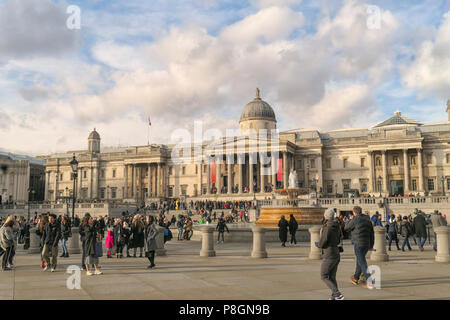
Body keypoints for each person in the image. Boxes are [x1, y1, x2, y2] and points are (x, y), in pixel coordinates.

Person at [344, 206, 374, 289]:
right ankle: (356, 277)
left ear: (354, 212)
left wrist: (350, 219)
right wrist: (371, 245)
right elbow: (372, 234)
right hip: (366, 243)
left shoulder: (355, 219)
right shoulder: (368, 219)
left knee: (362, 261)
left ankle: (369, 281)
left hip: (358, 243)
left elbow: (346, 228)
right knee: (359, 260)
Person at [318, 209, 344, 300]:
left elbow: (323, 242)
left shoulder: (327, 228)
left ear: (326, 216)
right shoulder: (337, 226)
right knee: (332, 277)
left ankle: (337, 294)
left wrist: (319, 245)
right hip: (336, 253)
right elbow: (339, 239)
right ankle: (334, 296)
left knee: (324, 276)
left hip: (329, 254)